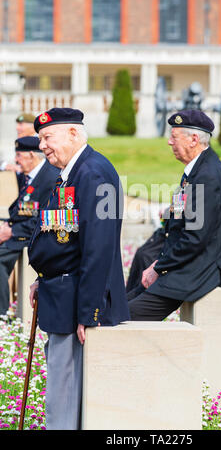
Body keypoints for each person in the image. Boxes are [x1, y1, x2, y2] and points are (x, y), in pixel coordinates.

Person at [28, 107, 129, 430]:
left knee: (65, 395)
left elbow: (98, 248)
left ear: (73, 133)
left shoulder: (93, 173)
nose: (42, 145)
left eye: (47, 137)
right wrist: (42, 279)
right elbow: (62, 238)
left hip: (76, 301)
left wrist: (89, 311)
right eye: (41, 138)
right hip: (60, 293)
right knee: (62, 389)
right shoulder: (71, 173)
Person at [128, 109, 221, 321]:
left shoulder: (207, 176)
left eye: (174, 136)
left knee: (124, 316)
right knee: (119, 307)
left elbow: (195, 238)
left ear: (193, 139)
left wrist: (159, 267)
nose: (169, 142)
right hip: (181, 266)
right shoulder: (195, 172)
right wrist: (157, 263)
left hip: (195, 272)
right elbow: (176, 222)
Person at [0, 136, 59, 316]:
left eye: (19, 156)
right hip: (19, 230)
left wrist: (11, 231)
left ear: (32, 155)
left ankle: (2, 315)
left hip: (30, 236)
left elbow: (45, 217)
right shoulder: (30, 175)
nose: (16, 161)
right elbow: (21, 210)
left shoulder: (50, 177)